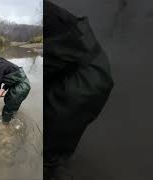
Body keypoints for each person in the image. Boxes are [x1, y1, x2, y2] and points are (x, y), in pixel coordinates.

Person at [45, 1, 114, 179]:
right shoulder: (44, 12)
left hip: (83, 83)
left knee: (51, 156)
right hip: (90, 73)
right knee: (55, 149)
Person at [0, 46, 31, 129]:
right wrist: (3, 90)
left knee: (7, 110)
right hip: (20, 85)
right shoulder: (1, 62)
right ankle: (12, 119)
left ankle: (5, 130)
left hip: (20, 88)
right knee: (8, 101)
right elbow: (12, 78)